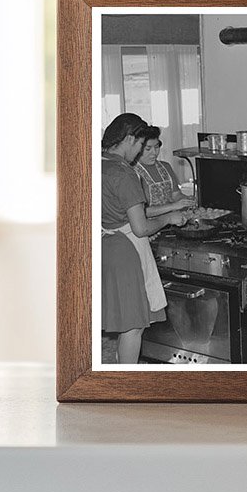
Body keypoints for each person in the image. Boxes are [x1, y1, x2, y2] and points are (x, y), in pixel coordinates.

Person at [101, 113, 189, 364]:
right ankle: (126, 384)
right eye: (141, 145)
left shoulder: (98, 164)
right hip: (126, 251)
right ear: (129, 139)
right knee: (133, 325)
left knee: (123, 319)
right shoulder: (123, 172)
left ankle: (121, 371)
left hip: (105, 244)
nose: (140, 152)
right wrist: (169, 218)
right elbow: (140, 227)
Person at [133, 126, 195, 218]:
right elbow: (141, 212)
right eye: (148, 149)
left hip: (172, 221)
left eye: (157, 147)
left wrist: (186, 200)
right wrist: (173, 206)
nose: (154, 153)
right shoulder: (132, 172)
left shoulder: (165, 167)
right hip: (149, 226)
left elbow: (176, 195)